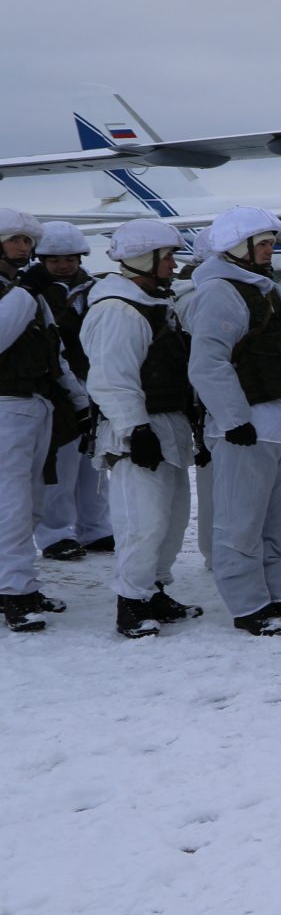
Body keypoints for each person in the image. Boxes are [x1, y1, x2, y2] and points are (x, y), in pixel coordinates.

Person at [186, 207, 281, 637]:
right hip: (248, 424)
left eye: (270, 243)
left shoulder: (271, 291)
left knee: (279, 519)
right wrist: (233, 419)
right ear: (237, 247)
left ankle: (280, 595)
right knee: (240, 519)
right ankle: (248, 604)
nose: (270, 250)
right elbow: (208, 363)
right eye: (262, 244)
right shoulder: (218, 292)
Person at [82, 219, 204, 638]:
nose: (173, 264)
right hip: (136, 430)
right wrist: (136, 429)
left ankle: (154, 589)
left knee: (172, 518)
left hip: (166, 423)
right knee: (143, 521)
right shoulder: (118, 309)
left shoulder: (154, 302)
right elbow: (112, 378)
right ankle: (130, 602)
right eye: (167, 256)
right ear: (143, 259)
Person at [0, 207, 91, 632]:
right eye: (14, 239)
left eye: (27, 240)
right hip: (5, 405)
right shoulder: (22, 291)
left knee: (33, 501)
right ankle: (14, 592)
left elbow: (54, 352)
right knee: (13, 504)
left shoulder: (28, 289)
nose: (23, 247)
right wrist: (26, 292)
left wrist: (78, 399)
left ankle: (18, 584)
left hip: (36, 402)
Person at [30, 222, 110, 560]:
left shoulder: (96, 289)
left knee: (93, 458)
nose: (63, 266)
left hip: (95, 381)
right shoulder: (33, 292)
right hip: (57, 388)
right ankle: (55, 533)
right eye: (54, 260)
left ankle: (95, 527)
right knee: (61, 464)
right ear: (42, 261)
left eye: (69, 259)